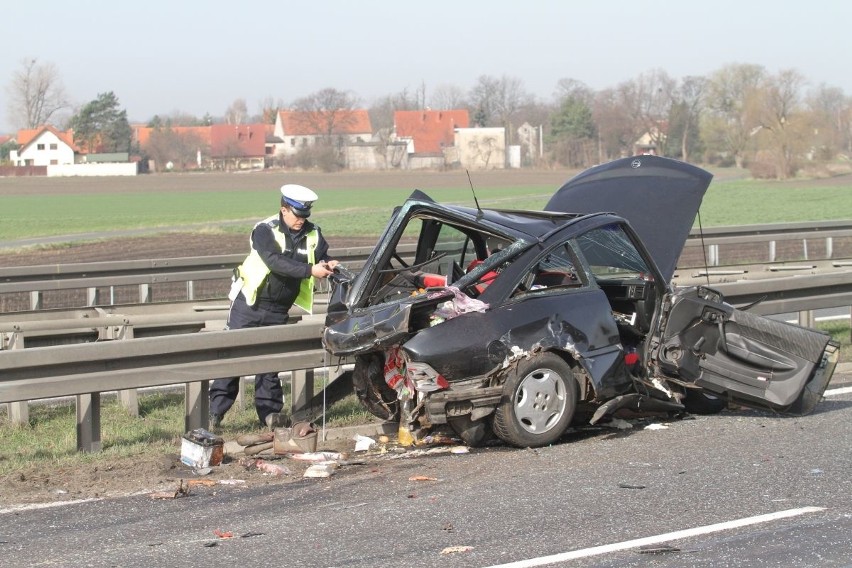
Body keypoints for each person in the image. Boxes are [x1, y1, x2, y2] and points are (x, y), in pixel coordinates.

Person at [209, 183, 338, 430]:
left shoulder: (314, 233)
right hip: (249, 303)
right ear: (284, 210)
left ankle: (269, 415)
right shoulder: (264, 230)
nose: (301, 220)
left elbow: (320, 255)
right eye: (297, 215)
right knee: (233, 359)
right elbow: (275, 262)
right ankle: (215, 413)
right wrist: (311, 270)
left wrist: (327, 263)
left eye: (305, 215)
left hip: (279, 309)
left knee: (270, 364)